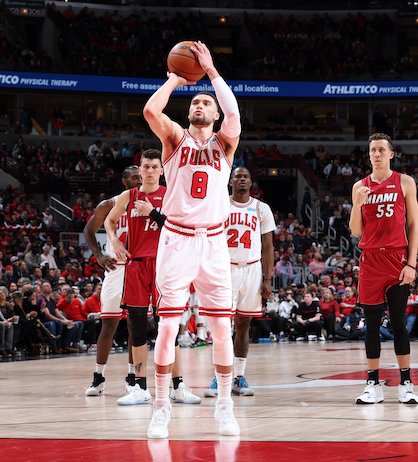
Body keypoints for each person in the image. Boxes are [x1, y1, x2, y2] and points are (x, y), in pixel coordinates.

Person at [143, 41, 241, 438]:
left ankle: (225, 406)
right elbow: (151, 111)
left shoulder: (225, 144)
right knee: (168, 328)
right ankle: (160, 406)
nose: (200, 106)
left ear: (214, 113)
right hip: (178, 239)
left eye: (206, 103)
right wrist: (173, 79)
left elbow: (234, 112)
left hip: (215, 242)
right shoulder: (175, 140)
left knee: (221, 330)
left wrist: (213, 73)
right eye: (195, 102)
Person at [105, 150, 201, 408]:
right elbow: (109, 220)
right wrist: (114, 241)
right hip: (136, 266)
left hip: (165, 267)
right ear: (141, 170)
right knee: (137, 329)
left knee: (168, 328)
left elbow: (181, 228)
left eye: (153, 167)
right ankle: (139, 387)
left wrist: (152, 212)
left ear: (161, 170)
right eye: (145, 166)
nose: (148, 171)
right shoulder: (129, 196)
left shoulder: (171, 195)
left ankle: (178, 386)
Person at [349, 132, 418, 405]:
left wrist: (411, 263)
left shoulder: (405, 182)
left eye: (381, 150)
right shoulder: (360, 187)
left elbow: (413, 225)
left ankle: (406, 383)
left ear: (391, 154)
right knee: (371, 326)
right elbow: (356, 231)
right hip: (370, 261)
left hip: (397, 260)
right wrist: (357, 204)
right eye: (372, 150)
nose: (376, 154)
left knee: (400, 324)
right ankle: (372, 384)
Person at [203, 166, 275, 398]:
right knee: (222, 327)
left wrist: (267, 279)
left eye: (246, 176)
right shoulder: (220, 205)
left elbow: (268, 246)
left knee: (244, 326)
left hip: (252, 269)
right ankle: (219, 376)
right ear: (230, 181)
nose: (242, 180)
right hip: (226, 270)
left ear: (251, 182)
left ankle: (239, 377)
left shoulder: (261, 208)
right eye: (238, 177)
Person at [83, 166, 141, 396]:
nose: (138, 180)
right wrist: (98, 255)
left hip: (138, 269)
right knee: (108, 324)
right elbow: (89, 230)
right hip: (116, 269)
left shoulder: (151, 204)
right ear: (124, 181)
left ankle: (132, 376)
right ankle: (98, 378)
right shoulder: (108, 204)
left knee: (134, 327)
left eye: (140, 176)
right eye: (134, 177)